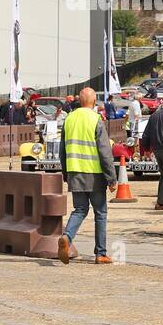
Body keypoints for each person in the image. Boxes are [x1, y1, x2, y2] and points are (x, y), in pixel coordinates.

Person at [58, 88, 118, 264]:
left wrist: (66, 173)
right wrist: (111, 178)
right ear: (93, 102)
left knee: (80, 210)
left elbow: (62, 151)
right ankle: (100, 253)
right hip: (95, 174)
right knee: (100, 213)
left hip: (75, 172)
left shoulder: (69, 119)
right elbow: (105, 152)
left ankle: (67, 238)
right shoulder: (95, 119)